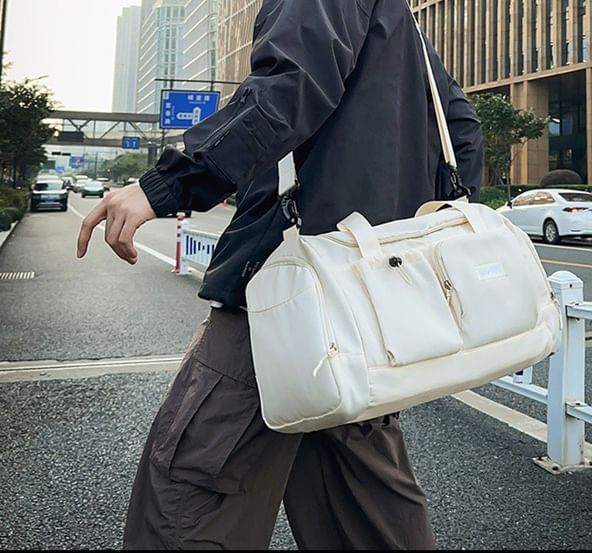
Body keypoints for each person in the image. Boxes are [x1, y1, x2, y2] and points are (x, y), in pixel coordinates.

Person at [77, 0, 483, 549]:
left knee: (193, 489)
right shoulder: (398, 20)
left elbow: (286, 90)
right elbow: (461, 129)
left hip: (287, 286)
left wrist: (169, 184)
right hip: (370, 303)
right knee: (365, 505)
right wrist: (401, 232)